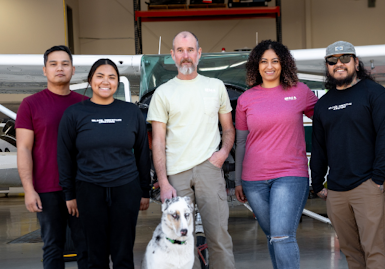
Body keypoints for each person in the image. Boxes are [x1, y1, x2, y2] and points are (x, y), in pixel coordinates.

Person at [147, 31, 236, 269]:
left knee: (219, 237)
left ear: (198, 54)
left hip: (210, 168)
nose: (185, 56)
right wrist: (163, 182)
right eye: (180, 50)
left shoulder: (215, 87)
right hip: (176, 175)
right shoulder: (163, 93)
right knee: (179, 242)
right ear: (172, 56)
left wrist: (222, 153)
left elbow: (228, 128)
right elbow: (157, 141)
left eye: (190, 50)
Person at [310, 41, 385, 269]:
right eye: (332, 61)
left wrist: (378, 177)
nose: (339, 64)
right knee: (351, 253)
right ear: (327, 66)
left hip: (367, 185)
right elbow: (319, 147)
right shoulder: (323, 105)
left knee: (375, 251)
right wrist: (317, 183)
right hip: (336, 191)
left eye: (345, 59)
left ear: (356, 63)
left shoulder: (375, 94)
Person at [58, 58, 151, 269]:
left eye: (112, 77)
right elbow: (65, 155)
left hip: (126, 189)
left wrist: (144, 191)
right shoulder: (74, 114)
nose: (105, 81)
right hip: (88, 189)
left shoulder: (131, 112)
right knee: (94, 256)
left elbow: (143, 154)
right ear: (90, 80)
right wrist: (69, 194)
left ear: (117, 82)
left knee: (123, 254)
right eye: (100, 76)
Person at [234, 40, 318, 269]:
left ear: (283, 64)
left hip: (290, 175)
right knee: (274, 236)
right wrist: (237, 179)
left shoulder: (300, 91)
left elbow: (326, 119)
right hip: (253, 181)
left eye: (275, 61)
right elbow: (241, 141)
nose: (269, 66)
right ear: (256, 65)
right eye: (263, 61)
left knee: (281, 235)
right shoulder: (246, 99)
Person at [15, 45, 88, 269]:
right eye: (53, 64)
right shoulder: (30, 104)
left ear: (73, 70)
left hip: (82, 187)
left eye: (65, 64)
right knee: (53, 247)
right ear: (44, 70)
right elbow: (24, 149)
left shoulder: (85, 105)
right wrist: (29, 189)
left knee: (87, 246)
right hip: (47, 190)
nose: (60, 68)